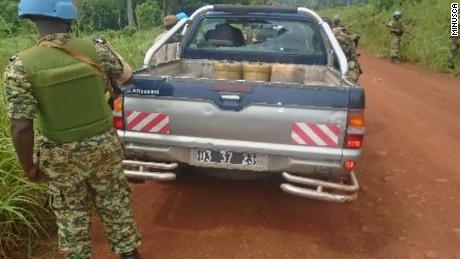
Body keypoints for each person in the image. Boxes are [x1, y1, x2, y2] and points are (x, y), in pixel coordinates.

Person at [2, 1, 141, 258]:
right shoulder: (97, 49)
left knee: (70, 212)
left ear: (34, 19)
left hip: (59, 154)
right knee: (114, 202)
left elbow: (21, 127)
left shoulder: (20, 66)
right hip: (103, 146)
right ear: (69, 15)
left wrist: (29, 167)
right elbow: (127, 77)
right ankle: (129, 253)